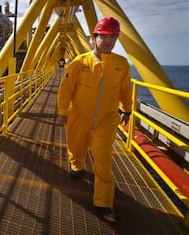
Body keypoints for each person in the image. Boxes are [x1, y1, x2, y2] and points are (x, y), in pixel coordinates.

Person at [56, 16, 132, 224]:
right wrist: (63, 111)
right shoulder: (80, 62)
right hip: (78, 116)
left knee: (103, 159)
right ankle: (76, 164)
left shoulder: (121, 64)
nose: (108, 41)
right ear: (94, 37)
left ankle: (103, 203)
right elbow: (65, 89)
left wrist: (127, 110)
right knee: (76, 145)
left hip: (107, 120)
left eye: (113, 37)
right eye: (104, 36)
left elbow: (126, 90)